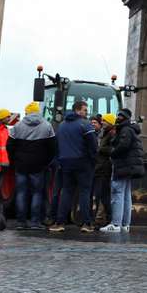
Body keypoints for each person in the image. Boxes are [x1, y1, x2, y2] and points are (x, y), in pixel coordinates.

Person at [8, 101, 56, 230]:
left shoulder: (17, 126)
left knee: (21, 192)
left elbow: (10, 146)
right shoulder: (47, 126)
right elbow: (53, 148)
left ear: (27, 112)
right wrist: (45, 162)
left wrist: (14, 161)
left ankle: (21, 222)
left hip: (21, 165)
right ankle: (35, 222)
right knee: (37, 193)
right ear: (38, 111)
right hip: (39, 166)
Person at [51, 100, 97, 233]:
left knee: (66, 192)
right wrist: (93, 160)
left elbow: (57, 145)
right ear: (78, 110)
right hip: (83, 163)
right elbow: (93, 146)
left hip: (65, 163)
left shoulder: (62, 125)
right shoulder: (85, 125)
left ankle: (59, 222)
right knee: (84, 192)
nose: (86, 113)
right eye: (85, 110)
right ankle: (86, 223)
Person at [101, 108, 144, 233]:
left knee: (117, 193)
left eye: (119, 116)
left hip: (122, 165)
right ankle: (125, 224)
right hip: (129, 166)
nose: (117, 118)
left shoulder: (125, 130)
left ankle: (115, 224)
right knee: (125, 195)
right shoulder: (132, 129)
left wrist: (113, 153)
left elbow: (123, 145)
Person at [92, 114, 114, 228]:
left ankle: (107, 219)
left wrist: (100, 149)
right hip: (100, 167)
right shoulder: (105, 133)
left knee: (103, 196)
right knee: (101, 195)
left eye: (105, 121)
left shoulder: (111, 134)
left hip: (104, 168)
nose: (103, 122)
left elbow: (112, 149)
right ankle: (103, 219)